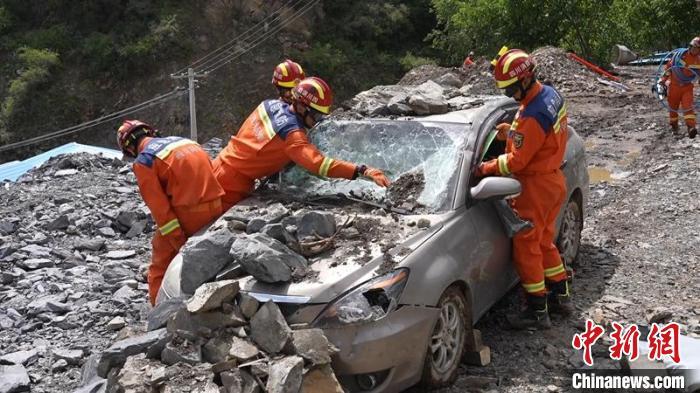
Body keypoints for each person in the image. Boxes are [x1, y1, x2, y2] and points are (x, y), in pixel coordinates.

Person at [475, 49, 572, 329]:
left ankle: (537, 310)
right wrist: (514, 134)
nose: (509, 95)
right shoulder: (549, 95)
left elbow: (517, 163)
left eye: (511, 89)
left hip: (535, 187)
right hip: (552, 180)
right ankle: (561, 296)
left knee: (526, 246)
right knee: (543, 241)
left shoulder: (531, 114)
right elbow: (538, 136)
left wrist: (485, 168)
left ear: (526, 78)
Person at [212, 76, 390, 211]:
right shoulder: (293, 135)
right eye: (317, 115)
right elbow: (320, 165)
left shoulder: (269, 105)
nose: (318, 121)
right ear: (302, 107)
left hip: (219, 164)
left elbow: (263, 144)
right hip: (231, 185)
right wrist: (361, 170)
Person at [116, 120, 224, 305]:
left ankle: (158, 313)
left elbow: (161, 211)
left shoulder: (144, 161)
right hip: (217, 207)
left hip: (190, 214)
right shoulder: (185, 142)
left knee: (160, 264)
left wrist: (178, 241)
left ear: (129, 148)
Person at [658, 37, 700, 139]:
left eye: (697, 48)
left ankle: (691, 128)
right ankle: (674, 126)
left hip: (687, 87)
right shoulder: (680, 56)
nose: (694, 49)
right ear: (690, 46)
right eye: (693, 47)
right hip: (674, 87)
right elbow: (669, 68)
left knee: (688, 107)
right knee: (673, 108)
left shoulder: (699, 60)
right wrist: (663, 80)